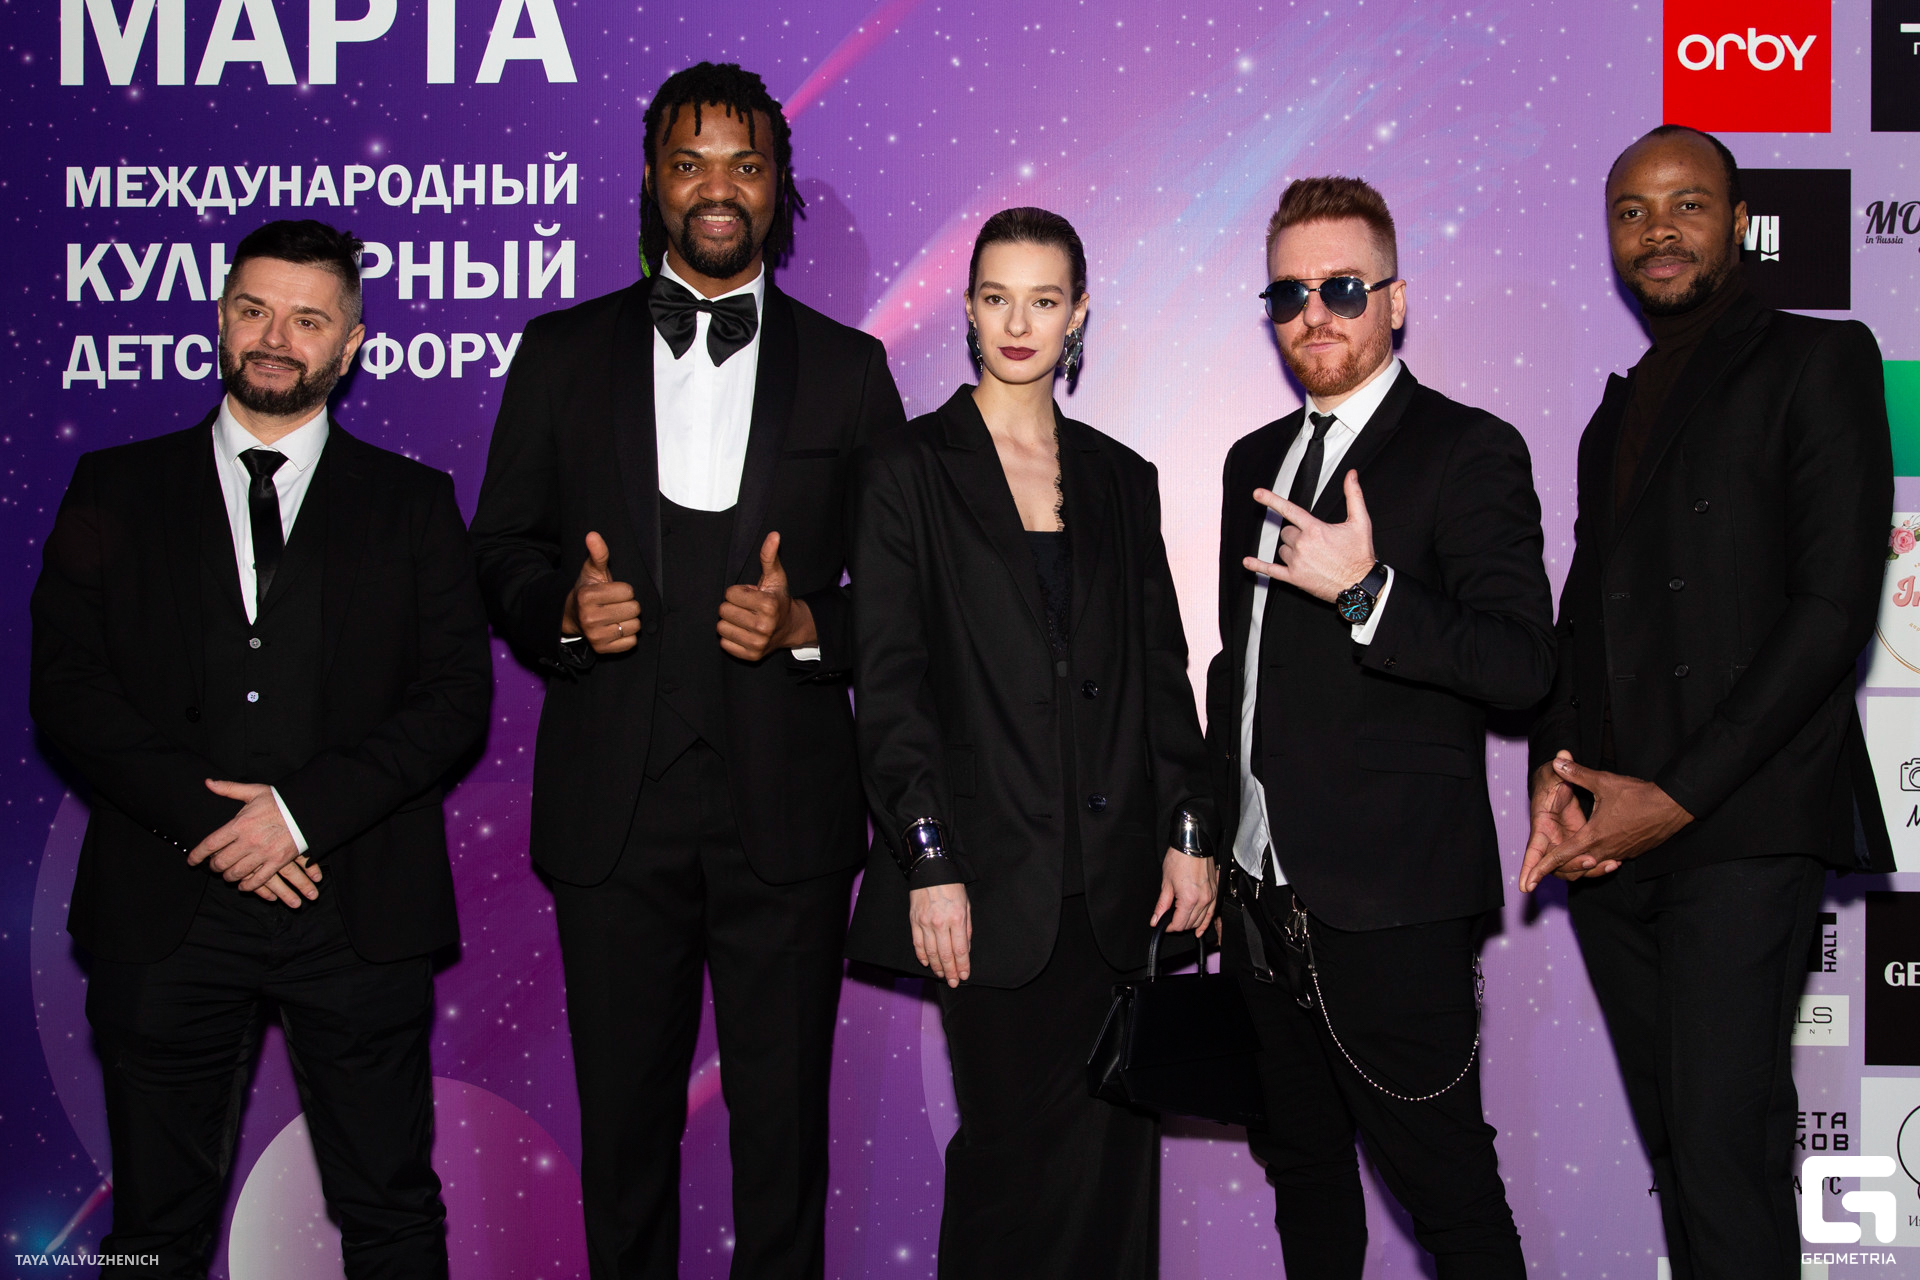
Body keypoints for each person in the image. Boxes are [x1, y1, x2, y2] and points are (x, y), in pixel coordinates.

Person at [468, 62, 907, 1280]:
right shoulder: (560, 353)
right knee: (622, 1142)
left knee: (784, 1146)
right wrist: (562, 610)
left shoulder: (850, 369)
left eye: (746, 164)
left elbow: (905, 596)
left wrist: (807, 621)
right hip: (614, 813)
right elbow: (499, 548)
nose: (719, 188)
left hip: (790, 817)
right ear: (653, 182)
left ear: (778, 186)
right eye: (690, 162)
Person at [29, 218, 492, 1278]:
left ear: (351, 345)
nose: (276, 338)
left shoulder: (414, 503)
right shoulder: (114, 487)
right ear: (222, 318)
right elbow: (68, 688)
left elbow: (452, 700)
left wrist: (296, 816)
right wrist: (222, 826)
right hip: (164, 905)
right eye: (254, 310)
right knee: (151, 1232)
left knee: (392, 1216)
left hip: (357, 907)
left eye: (308, 319)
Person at [1523, 125, 1895, 1280]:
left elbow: (1831, 609)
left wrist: (1677, 796)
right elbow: (1585, 615)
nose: (1659, 231)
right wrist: (1556, 772)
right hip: (1614, 852)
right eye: (1632, 211)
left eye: (1686, 204)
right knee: (1684, 1156)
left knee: (1725, 1157)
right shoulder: (1616, 412)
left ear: (1737, 224)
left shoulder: (1819, 358)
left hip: (1742, 823)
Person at [843, 206, 1216, 1279]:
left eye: (1043, 301)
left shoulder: (1120, 476)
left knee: (1116, 1161)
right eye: (997, 298)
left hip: (1117, 885)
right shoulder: (906, 468)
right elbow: (892, 688)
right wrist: (929, 860)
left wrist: (1191, 831)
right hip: (985, 881)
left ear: (1078, 313)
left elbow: (1161, 676)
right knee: (1010, 1164)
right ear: (969, 308)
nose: (1018, 324)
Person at [1207, 177, 1551, 1278]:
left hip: (1394, 906)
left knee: (1449, 1194)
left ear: (1395, 300)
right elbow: (1240, 674)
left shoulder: (1468, 448)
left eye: (1344, 288)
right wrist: (1207, 836)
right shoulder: (1252, 461)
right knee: (1306, 1181)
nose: (1314, 313)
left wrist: (1368, 592)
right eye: (1289, 293)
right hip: (1258, 898)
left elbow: (1521, 664)